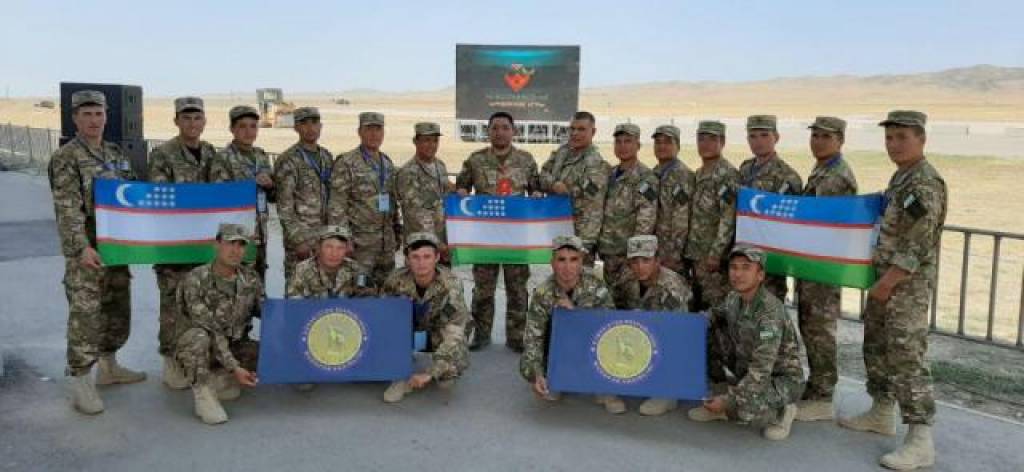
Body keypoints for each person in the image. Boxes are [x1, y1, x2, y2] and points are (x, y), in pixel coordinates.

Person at [838, 110, 945, 470]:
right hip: (885, 282)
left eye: (902, 137)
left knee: (906, 356)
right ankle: (882, 411)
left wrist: (886, 282)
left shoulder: (923, 183)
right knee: (878, 348)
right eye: (889, 138)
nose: (894, 144)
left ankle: (920, 439)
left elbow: (918, 243)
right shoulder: (902, 178)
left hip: (905, 287)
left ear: (922, 139)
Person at [48, 90, 144, 415]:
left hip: (116, 250)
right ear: (75, 118)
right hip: (87, 253)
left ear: (106, 116)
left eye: (98, 113)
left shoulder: (115, 153)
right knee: (86, 317)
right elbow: (67, 209)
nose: (93, 120)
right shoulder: (66, 157)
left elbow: (133, 194)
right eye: (86, 114)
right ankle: (80, 382)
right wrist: (80, 247)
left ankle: (109, 367)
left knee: (117, 310)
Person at [687, 246, 803, 441]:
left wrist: (729, 401)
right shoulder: (734, 298)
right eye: (734, 267)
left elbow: (761, 370)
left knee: (746, 407)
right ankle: (724, 393)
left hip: (781, 378)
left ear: (760, 275)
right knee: (705, 329)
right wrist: (688, 324)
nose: (738, 274)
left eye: (746, 268)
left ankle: (782, 411)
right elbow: (715, 313)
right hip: (746, 367)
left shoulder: (770, 313)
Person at [147, 96, 218, 389]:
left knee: (202, 304)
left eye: (197, 118)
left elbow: (222, 191)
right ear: (176, 121)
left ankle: (199, 360)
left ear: (204, 121)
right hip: (174, 245)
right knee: (173, 306)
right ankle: (171, 362)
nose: (192, 123)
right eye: (186, 118)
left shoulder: (211, 152)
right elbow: (160, 196)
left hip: (204, 245)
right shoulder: (162, 154)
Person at [455, 111, 541, 351]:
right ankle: (481, 335)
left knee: (517, 289)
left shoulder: (526, 160)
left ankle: (516, 336)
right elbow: (462, 185)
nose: (500, 132)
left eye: (505, 127)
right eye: (495, 128)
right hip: (485, 236)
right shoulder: (476, 160)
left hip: (516, 237)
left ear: (513, 131)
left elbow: (536, 188)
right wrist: (461, 191)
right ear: (488, 131)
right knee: (483, 288)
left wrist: (537, 194)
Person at [793, 117, 858, 422]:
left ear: (840, 140)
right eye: (815, 135)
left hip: (824, 267)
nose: (818, 141)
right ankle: (816, 387)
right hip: (813, 264)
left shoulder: (837, 176)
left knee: (820, 331)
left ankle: (823, 397)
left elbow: (825, 224)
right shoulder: (822, 170)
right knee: (810, 327)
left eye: (826, 137)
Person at [173, 223, 263, 425]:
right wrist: (235, 367)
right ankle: (203, 394)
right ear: (217, 244)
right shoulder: (196, 279)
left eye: (241, 245)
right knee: (198, 338)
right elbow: (211, 330)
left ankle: (219, 376)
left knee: (268, 355)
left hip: (234, 344)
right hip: (203, 345)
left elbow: (267, 312)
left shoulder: (250, 278)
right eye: (230, 243)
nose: (235, 251)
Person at [520, 236, 619, 413]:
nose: (567, 267)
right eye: (561, 260)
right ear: (552, 263)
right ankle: (557, 376)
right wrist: (536, 374)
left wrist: (576, 314)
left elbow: (610, 328)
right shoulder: (543, 293)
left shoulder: (596, 285)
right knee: (533, 371)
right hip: (560, 352)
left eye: (574, 259)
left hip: (591, 347)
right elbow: (533, 339)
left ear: (581, 262)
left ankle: (603, 383)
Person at [379, 232, 470, 403]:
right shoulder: (395, 280)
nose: (421, 263)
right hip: (409, 331)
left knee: (452, 366)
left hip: (436, 332)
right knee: (385, 334)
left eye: (427, 257)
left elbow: (454, 333)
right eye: (415, 257)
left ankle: (439, 370)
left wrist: (431, 372)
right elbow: (382, 316)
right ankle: (400, 376)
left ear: (437, 258)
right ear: (407, 259)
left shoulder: (450, 285)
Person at [618, 235, 692, 416]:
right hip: (639, 335)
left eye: (646, 260)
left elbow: (678, 330)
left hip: (667, 339)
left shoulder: (671, 286)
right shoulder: (627, 278)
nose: (640, 267)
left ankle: (668, 392)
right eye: (634, 261)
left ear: (657, 260)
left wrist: (644, 321)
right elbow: (614, 307)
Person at [328, 112, 400, 287]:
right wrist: (343, 240)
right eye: (369, 129)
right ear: (359, 132)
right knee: (359, 291)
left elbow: (392, 202)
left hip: (386, 245)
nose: (374, 134)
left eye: (378, 129)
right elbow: (337, 205)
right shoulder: (347, 162)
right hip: (360, 246)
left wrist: (397, 233)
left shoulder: (387, 163)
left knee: (387, 291)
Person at [738, 115, 803, 301]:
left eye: (764, 135)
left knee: (768, 309)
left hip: (770, 261)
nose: (758, 141)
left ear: (777, 137)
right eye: (753, 136)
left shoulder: (787, 177)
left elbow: (790, 225)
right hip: (743, 254)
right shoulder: (745, 168)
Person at [209, 105, 275, 283]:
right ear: (232, 129)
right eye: (242, 126)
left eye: (253, 126)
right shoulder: (223, 158)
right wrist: (251, 184)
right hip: (235, 236)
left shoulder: (261, 156)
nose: (249, 131)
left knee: (258, 284)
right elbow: (219, 196)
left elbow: (273, 195)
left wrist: (270, 186)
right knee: (234, 283)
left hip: (260, 233)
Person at [597, 123, 658, 308]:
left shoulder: (645, 178)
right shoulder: (610, 174)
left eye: (628, 141)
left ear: (638, 145)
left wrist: (635, 255)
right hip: (609, 253)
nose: (622, 146)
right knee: (611, 303)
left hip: (628, 257)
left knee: (631, 305)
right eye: (619, 142)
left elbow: (646, 218)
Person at [538, 111, 610, 264]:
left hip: (582, 234)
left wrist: (559, 187)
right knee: (560, 272)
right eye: (572, 128)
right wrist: (553, 184)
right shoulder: (562, 152)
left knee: (580, 274)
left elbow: (587, 195)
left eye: (581, 129)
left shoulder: (595, 162)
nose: (575, 133)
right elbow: (542, 175)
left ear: (593, 132)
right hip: (557, 225)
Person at [273, 106, 333, 286]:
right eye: (304, 123)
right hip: (302, 241)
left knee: (324, 289)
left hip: (325, 239)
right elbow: (284, 206)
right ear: (296, 128)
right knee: (298, 288)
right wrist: (298, 240)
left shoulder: (326, 157)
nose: (310, 128)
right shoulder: (289, 160)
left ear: (321, 126)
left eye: (314, 123)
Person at [684, 121, 740, 311]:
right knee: (698, 305)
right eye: (701, 139)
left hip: (712, 258)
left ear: (722, 142)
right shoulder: (699, 174)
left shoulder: (727, 175)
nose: (705, 144)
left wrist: (716, 253)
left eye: (712, 139)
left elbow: (728, 217)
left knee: (716, 307)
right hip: (696, 253)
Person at [395, 122, 454, 266]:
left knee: (443, 279)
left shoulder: (440, 166)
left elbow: (445, 196)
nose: (431, 145)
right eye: (426, 140)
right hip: (420, 247)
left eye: (435, 140)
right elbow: (415, 214)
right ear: (415, 141)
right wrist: (437, 243)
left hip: (443, 244)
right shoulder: (408, 172)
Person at [650, 124, 695, 278]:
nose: (662, 146)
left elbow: (681, 219)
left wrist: (674, 254)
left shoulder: (682, 175)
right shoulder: (655, 172)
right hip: (655, 248)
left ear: (678, 146)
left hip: (671, 253)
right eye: (658, 142)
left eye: (668, 142)